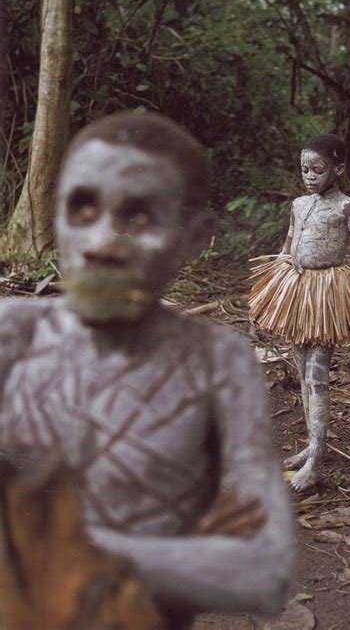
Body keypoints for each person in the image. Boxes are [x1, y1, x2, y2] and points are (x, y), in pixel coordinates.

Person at [0, 112, 294, 629]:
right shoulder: (13, 334)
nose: (100, 244)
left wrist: (57, 543)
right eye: (82, 208)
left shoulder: (214, 360)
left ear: (192, 236)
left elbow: (263, 570)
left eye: (138, 218)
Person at [249, 134, 350, 492]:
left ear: (337, 169)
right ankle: (312, 444)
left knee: (318, 376)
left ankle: (317, 459)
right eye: (305, 169)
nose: (309, 176)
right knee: (302, 372)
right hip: (298, 291)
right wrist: (268, 297)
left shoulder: (347, 207)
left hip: (328, 294)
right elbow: (287, 247)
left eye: (318, 169)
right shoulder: (299, 204)